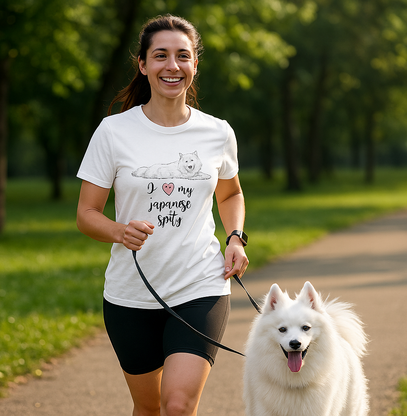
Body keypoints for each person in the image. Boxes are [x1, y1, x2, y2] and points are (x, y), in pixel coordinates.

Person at [76, 14, 248, 416]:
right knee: (149, 408)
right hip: (130, 295)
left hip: (199, 287)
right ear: (143, 64)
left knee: (176, 405)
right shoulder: (113, 132)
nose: (172, 66)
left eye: (182, 56)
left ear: (194, 65)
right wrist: (119, 231)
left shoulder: (217, 132)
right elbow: (86, 214)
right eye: (161, 56)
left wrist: (236, 237)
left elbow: (231, 193)